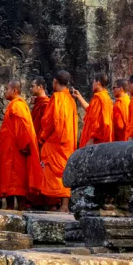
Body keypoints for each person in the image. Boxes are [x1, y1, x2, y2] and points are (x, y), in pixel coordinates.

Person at [0, 81, 42, 210]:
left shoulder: (17, 106)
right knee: (10, 180)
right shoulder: (14, 105)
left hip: (16, 150)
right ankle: (10, 208)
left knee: (16, 180)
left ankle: (19, 208)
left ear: (14, 91)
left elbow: (22, 128)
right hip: (10, 149)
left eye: (7, 89)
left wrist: (25, 144)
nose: (5, 92)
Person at [39, 71, 78, 213]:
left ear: (55, 81)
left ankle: (53, 205)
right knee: (65, 171)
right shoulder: (72, 101)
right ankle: (64, 205)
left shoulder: (56, 98)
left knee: (51, 172)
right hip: (69, 143)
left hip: (55, 142)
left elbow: (49, 121)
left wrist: (42, 137)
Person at [73, 73, 113, 148]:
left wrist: (91, 139)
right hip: (101, 140)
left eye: (93, 82)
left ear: (98, 83)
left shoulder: (99, 99)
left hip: (95, 141)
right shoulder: (106, 98)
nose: (92, 84)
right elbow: (90, 110)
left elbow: (96, 122)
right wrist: (79, 97)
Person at [30, 77, 50, 141]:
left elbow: (45, 126)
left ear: (40, 87)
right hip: (33, 138)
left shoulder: (46, 104)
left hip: (40, 140)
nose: (30, 89)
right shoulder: (37, 102)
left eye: (33, 86)